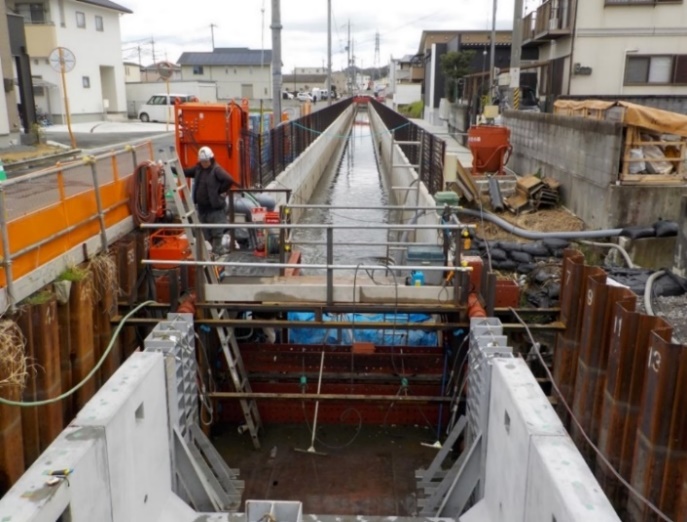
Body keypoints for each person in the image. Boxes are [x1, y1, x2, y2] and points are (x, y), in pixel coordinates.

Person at [183, 146, 240, 255]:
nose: (204, 163)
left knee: (217, 230)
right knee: (205, 231)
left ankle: (218, 248)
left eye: (206, 161)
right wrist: (169, 168)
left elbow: (229, 180)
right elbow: (185, 172)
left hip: (214, 208)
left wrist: (219, 191)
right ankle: (215, 248)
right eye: (202, 161)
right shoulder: (198, 169)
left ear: (211, 159)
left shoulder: (216, 170)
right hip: (202, 208)